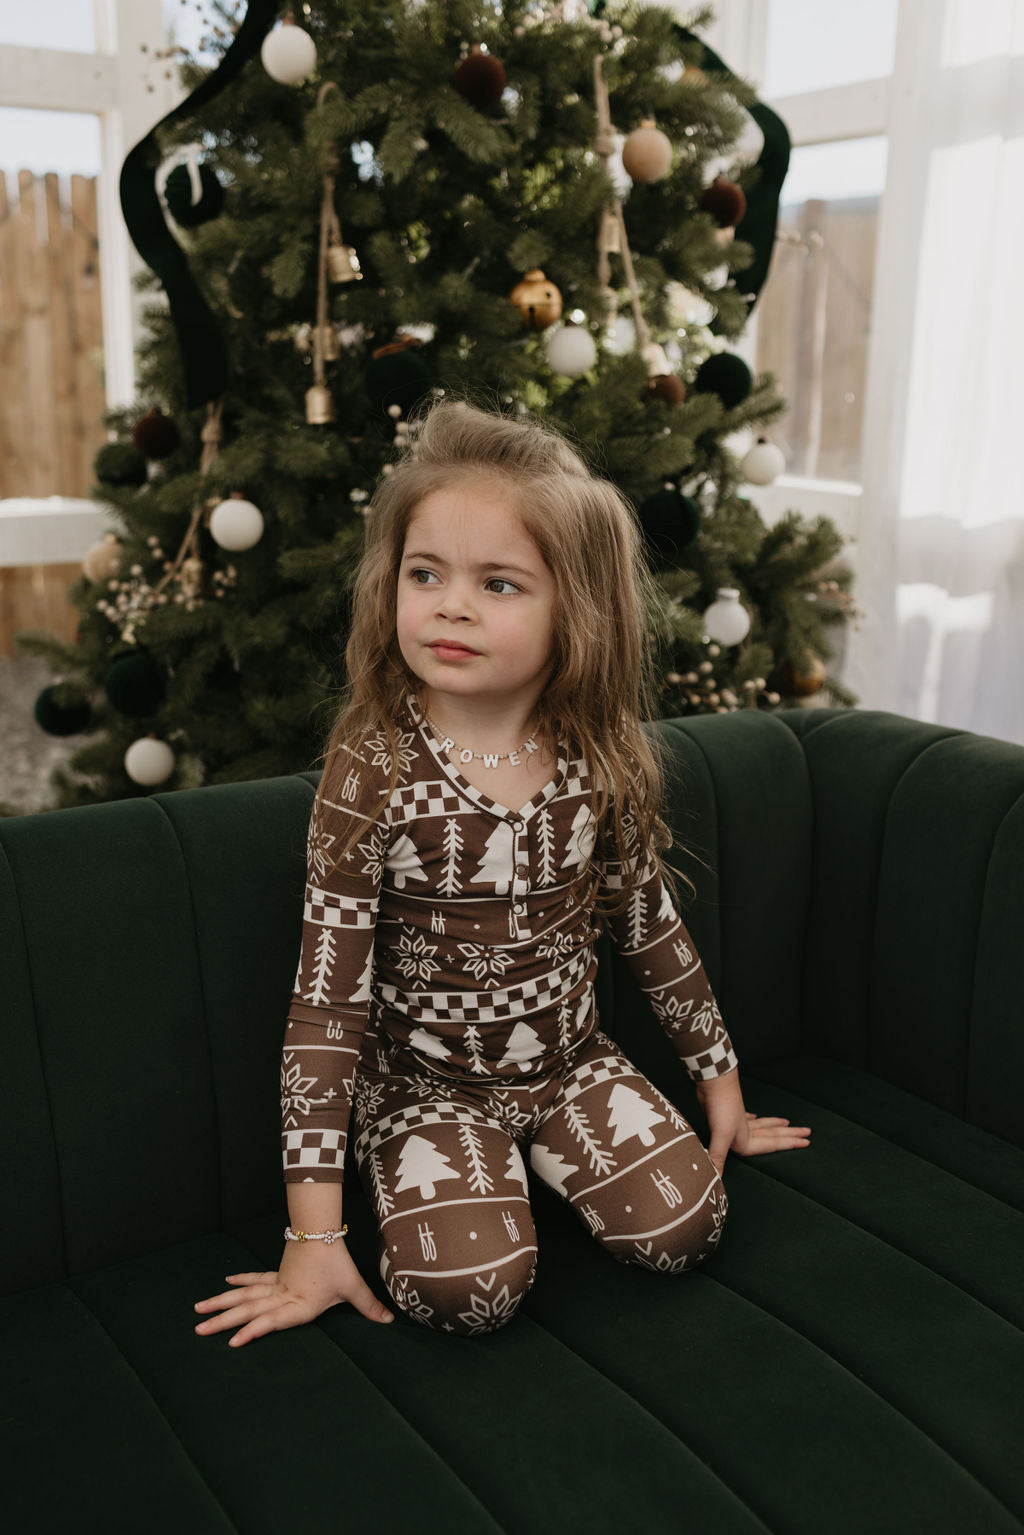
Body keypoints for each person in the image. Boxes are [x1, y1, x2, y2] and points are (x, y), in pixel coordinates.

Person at [193, 393, 811, 1345]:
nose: (450, 604)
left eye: (500, 584)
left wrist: (721, 1090)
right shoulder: (372, 775)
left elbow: (648, 925)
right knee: (470, 1293)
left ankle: (532, 1163)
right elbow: (326, 1007)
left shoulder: (596, 757)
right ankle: (465, 1176)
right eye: (426, 573)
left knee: (688, 1227)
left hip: (570, 1065)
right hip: (422, 1086)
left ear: (580, 609)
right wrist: (312, 1233)